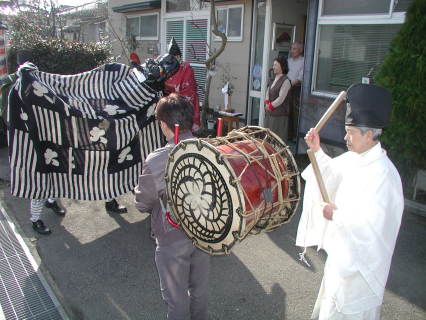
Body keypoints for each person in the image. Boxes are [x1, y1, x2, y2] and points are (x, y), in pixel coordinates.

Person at [296, 83, 404, 319]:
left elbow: (372, 226)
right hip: (341, 260)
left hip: (361, 274)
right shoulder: (356, 158)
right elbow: (331, 175)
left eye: (350, 132)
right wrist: (316, 149)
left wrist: (335, 214)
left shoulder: (384, 175)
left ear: (368, 134)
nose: (345, 137)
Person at [135, 93, 210, 320]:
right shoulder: (207, 148)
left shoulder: (157, 160)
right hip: (205, 230)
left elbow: (143, 203)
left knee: (176, 299)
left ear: (163, 125)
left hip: (172, 236)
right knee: (200, 290)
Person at [164, 37, 201, 132]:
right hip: (169, 106)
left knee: (184, 134)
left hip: (184, 105)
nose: (174, 59)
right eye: (171, 57)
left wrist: (172, 97)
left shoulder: (186, 68)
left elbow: (190, 89)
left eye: (176, 57)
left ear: (179, 57)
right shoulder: (166, 68)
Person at [264, 57, 292, 142]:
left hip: (279, 116)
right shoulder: (273, 79)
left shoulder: (286, 81)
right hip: (270, 115)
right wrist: (267, 103)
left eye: (275, 65)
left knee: (277, 139)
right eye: (273, 65)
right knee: (268, 138)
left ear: (282, 66)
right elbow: (268, 92)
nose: (273, 67)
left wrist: (271, 106)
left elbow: (281, 98)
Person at [287, 41, 304, 141]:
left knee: (295, 112)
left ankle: (295, 136)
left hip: (296, 89)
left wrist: (289, 85)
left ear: (300, 50)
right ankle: (287, 135)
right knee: (287, 111)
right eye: (291, 48)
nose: (292, 51)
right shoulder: (288, 61)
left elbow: (300, 78)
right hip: (286, 87)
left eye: (294, 49)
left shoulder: (303, 61)